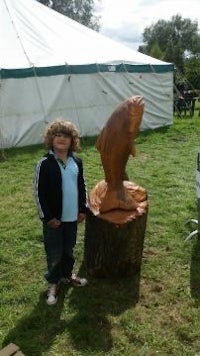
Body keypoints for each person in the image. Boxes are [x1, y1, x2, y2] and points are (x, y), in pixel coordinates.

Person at [34, 119, 88, 306]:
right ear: (51, 139)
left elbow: (82, 186)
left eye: (66, 136)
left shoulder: (76, 162)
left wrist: (82, 208)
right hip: (54, 220)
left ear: (72, 140)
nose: (61, 139)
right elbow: (39, 193)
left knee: (68, 249)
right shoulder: (45, 163)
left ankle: (66, 275)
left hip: (72, 217)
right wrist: (48, 217)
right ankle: (53, 283)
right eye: (57, 135)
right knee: (54, 252)